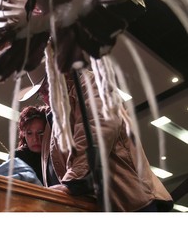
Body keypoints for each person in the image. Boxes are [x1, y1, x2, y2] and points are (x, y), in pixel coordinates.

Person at [19, 64, 174, 212]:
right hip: (99, 206)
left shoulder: (94, 86)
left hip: (130, 202)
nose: (45, 97)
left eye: (47, 87)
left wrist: (72, 183)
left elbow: (97, 129)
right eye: (41, 93)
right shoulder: (55, 115)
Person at [14, 105, 48, 184]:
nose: (35, 139)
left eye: (40, 133)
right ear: (23, 134)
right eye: (29, 133)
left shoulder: (55, 157)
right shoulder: (18, 157)